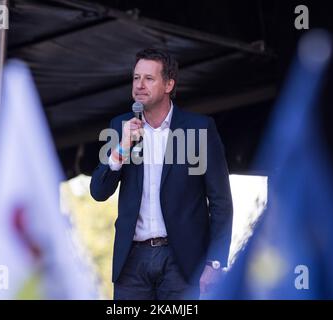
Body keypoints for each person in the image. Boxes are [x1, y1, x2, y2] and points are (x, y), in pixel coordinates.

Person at [90, 48, 233, 300]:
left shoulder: (199, 128)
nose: (139, 85)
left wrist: (214, 262)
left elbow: (221, 201)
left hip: (182, 261)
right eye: (136, 78)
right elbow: (99, 192)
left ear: (169, 84)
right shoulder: (120, 126)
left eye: (149, 78)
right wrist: (121, 147)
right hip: (132, 261)